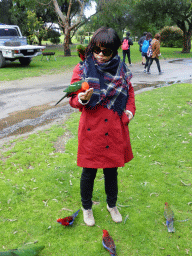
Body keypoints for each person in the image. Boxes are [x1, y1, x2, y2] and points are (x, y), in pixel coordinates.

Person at [69, 27, 136, 227]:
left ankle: (112, 205)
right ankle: (86, 208)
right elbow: (72, 98)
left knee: (111, 172)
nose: (99, 55)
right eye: (96, 50)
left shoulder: (121, 69)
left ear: (115, 51)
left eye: (105, 51)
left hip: (114, 128)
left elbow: (130, 93)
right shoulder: (82, 69)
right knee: (88, 171)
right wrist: (81, 99)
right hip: (92, 128)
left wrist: (129, 112)